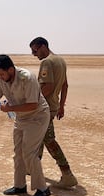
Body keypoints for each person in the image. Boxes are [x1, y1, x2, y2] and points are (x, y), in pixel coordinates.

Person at [0, 54, 51, 196]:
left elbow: (33, 104)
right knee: (18, 152)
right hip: (21, 117)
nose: (0, 77)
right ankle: (19, 185)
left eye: (2, 73)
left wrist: (10, 108)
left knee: (29, 152)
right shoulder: (2, 80)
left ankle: (43, 189)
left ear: (11, 69)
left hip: (37, 117)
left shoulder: (27, 78)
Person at [29, 37, 78, 188]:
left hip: (45, 108)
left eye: (35, 50)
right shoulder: (60, 60)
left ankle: (67, 173)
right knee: (40, 136)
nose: (33, 54)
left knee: (49, 140)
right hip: (54, 106)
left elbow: (48, 87)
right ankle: (33, 167)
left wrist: (33, 103)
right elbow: (65, 85)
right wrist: (61, 106)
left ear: (43, 46)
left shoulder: (47, 62)